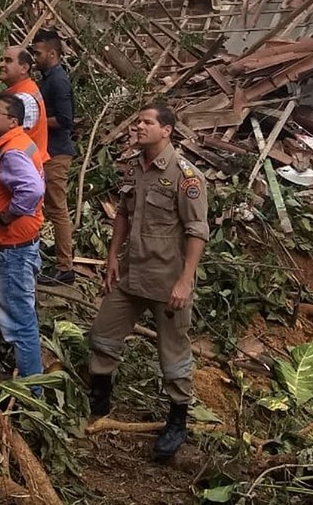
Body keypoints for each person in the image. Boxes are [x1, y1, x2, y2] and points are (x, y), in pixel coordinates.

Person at [87, 103, 209, 461]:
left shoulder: (186, 176)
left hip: (167, 282)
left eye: (147, 122)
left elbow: (197, 231)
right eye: (137, 121)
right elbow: (123, 213)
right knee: (102, 335)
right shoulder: (134, 167)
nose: (137, 127)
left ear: (167, 130)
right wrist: (112, 256)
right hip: (131, 274)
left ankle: (177, 419)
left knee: (173, 357)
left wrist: (185, 281)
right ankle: (100, 397)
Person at [0, 92, 46, 380]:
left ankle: (32, 385)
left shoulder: (13, 152)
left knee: (21, 319)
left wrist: (4, 218)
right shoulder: (17, 144)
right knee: (17, 310)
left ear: (13, 120)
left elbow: (33, 190)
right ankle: (13, 350)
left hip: (12, 248)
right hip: (17, 243)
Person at [32, 30, 77, 285]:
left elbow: (65, 119)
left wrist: (34, 123)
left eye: (38, 53)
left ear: (52, 53)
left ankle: (65, 267)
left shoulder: (58, 80)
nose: (35, 58)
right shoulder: (49, 78)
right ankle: (56, 256)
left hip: (57, 153)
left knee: (57, 209)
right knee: (48, 206)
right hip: (48, 151)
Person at [0, 45, 49, 163]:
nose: (1, 65)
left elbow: (7, 137)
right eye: (1, 60)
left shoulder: (24, 99)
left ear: (24, 68)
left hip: (22, 168)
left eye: (8, 61)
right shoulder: (21, 91)